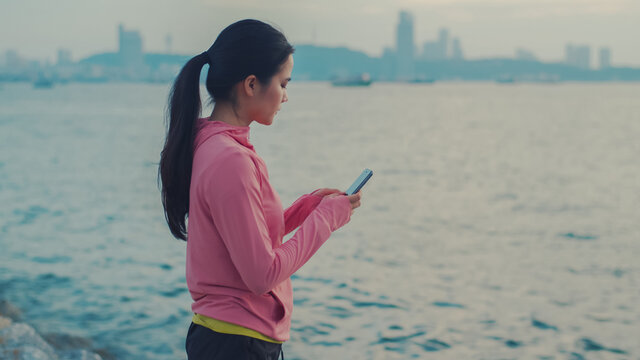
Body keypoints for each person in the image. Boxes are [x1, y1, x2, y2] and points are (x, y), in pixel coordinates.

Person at [158, 19, 362, 359]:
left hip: (230, 337)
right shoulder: (230, 160)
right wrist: (325, 220)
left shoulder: (211, 145)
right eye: (283, 83)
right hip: (237, 343)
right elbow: (260, 274)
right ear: (251, 84)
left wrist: (305, 208)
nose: (285, 96)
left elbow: (241, 235)